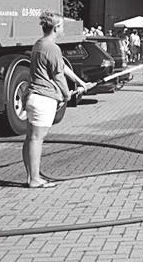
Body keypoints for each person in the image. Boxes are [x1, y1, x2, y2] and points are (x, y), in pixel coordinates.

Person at [24, 13, 94, 188]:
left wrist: (80, 82)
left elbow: (61, 66)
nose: (63, 29)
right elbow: (58, 75)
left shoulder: (40, 44)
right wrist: (66, 94)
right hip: (43, 98)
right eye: (62, 26)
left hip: (33, 97)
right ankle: (34, 179)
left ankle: (31, 176)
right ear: (56, 28)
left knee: (30, 138)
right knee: (36, 139)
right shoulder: (53, 48)